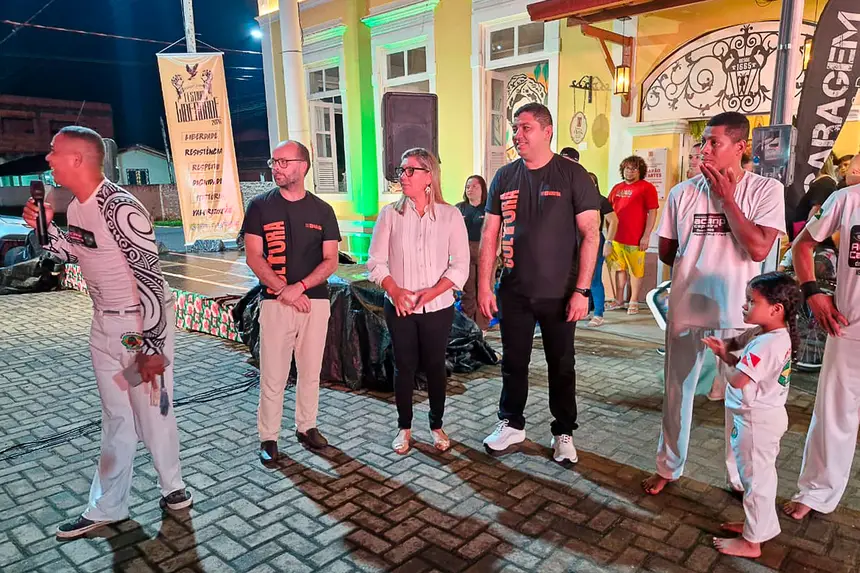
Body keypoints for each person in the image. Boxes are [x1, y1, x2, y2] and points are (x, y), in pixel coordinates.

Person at [22, 126, 192, 540]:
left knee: (150, 411)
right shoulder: (77, 206)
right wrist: (45, 229)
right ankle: (107, 506)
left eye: (54, 152)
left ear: (78, 159)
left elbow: (151, 279)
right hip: (103, 327)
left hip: (137, 330)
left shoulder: (120, 207)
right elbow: (72, 253)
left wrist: (152, 346)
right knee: (117, 417)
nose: (48, 159)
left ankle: (172, 488)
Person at [643, 111, 786, 495]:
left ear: (740, 147)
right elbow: (668, 251)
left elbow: (758, 248)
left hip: (741, 312)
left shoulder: (765, 191)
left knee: (740, 398)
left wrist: (727, 200)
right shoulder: (682, 192)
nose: (704, 149)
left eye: (714, 142)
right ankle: (668, 466)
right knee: (677, 393)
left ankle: (739, 478)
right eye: (703, 141)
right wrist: (696, 265)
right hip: (687, 307)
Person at [477, 103, 601, 464]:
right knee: (513, 362)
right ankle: (511, 424)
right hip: (513, 291)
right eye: (515, 128)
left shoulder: (572, 175)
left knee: (561, 365)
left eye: (525, 127)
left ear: (547, 131)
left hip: (560, 294)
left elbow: (591, 234)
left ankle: (563, 432)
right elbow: (489, 234)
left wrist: (582, 291)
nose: (517, 135)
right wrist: (484, 286)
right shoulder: (504, 176)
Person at [243, 140, 340, 464]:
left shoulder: (323, 210)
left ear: (303, 166)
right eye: (274, 162)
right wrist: (283, 290)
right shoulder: (259, 207)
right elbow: (254, 256)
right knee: (273, 375)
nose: (276, 168)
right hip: (275, 304)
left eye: (284, 162)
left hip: (315, 302)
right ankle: (269, 437)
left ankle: (306, 427)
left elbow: (330, 260)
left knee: (311, 371)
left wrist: (299, 287)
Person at [367, 148, 469, 455]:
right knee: (404, 366)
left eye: (411, 170)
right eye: (401, 170)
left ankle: (436, 425)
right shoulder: (390, 214)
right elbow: (375, 262)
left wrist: (433, 292)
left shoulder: (450, 215)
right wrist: (395, 290)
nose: (403, 176)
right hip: (400, 306)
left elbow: (460, 265)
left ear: (429, 176)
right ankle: (404, 427)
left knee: (436, 366)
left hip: (438, 307)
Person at [703, 272, 800, 558]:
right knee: (760, 479)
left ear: (776, 308)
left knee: (756, 482)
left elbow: (737, 380)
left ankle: (752, 543)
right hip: (761, 419)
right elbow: (739, 349)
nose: (744, 306)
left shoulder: (767, 344)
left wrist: (723, 356)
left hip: (757, 424)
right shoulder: (768, 334)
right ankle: (756, 527)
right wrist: (726, 349)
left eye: (752, 301)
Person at [782, 180, 860, 521]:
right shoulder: (847, 199)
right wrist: (813, 292)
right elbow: (803, 245)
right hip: (849, 327)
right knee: (834, 415)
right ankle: (816, 491)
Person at [605, 155, 659, 315]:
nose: (630, 171)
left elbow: (653, 212)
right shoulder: (617, 188)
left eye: (634, 168)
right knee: (619, 269)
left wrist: (646, 236)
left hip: (635, 239)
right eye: (627, 168)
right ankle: (619, 300)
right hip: (616, 238)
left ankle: (633, 300)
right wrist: (608, 236)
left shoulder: (647, 187)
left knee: (636, 271)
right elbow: (608, 211)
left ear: (640, 171)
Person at [456, 175, 492, 331]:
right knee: (468, 290)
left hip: (485, 251)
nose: (470, 190)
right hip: (464, 252)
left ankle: (482, 327)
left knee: (484, 289)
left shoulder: (489, 208)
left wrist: (496, 251)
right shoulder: (459, 208)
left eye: (475, 187)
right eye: (467, 187)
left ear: (483, 189)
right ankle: (469, 326)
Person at [586, 171, 615, 327]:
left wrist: (608, 242)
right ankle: (586, 310)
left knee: (594, 278)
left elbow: (614, 221)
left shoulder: (601, 200)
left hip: (596, 241)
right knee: (581, 278)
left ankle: (598, 314)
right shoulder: (576, 198)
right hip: (579, 241)